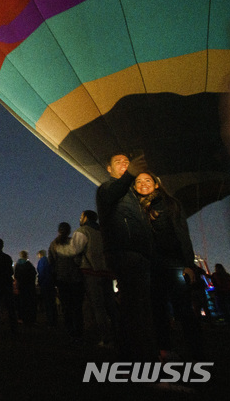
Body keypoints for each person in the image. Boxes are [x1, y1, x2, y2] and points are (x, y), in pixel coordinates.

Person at [133, 172, 204, 360]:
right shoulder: (134, 209)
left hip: (174, 266)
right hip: (150, 268)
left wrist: (189, 265)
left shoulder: (171, 204)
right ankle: (165, 350)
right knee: (157, 311)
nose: (143, 184)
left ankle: (196, 353)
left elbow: (182, 235)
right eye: (138, 181)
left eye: (147, 180)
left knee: (183, 310)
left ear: (157, 184)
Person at [96, 152, 156, 361]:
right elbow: (114, 191)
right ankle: (140, 360)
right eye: (118, 162)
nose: (124, 164)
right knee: (134, 307)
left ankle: (133, 356)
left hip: (139, 254)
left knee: (138, 307)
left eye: (126, 162)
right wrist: (130, 174)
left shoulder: (132, 196)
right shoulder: (107, 189)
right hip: (125, 253)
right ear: (109, 169)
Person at [53, 211, 117, 346]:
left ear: (86, 217)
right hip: (107, 273)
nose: (80, 218)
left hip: (92, 272)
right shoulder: (104, 232)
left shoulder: (83, 231)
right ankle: (120, 334)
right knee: (111, 306)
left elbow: (73, 251)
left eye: (81, 216)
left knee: (98, 307)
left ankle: (106, 338)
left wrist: (60, 249)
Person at [13, 251, 37, 324]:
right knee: (30, 303)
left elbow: (16, 276)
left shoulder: (17, 265)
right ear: (26, 256)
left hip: (21, 286)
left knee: (21, 303)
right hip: (29, 287)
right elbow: (34, 274)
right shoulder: (29, 265)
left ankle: (21, 318)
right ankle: (30, 319)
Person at [36, 250, 57, 327]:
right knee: (52, 302)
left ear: (40, 254)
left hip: (45, 284)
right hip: (51, 284)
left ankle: (50, 321)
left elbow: (41, 273)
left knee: (47, 303)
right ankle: (55, 319)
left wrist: (40, 282)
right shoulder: (49, 261)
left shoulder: (41, 261)